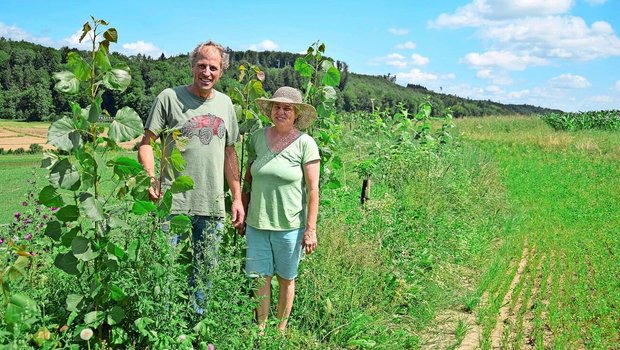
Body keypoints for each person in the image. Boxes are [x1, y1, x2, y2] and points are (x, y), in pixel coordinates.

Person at [138, 41, 244, 312]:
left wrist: (236, 198)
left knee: (206, 272)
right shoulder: (169, 98)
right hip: (172, 201)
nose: (206, 72)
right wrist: (151, 179)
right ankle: (164, 326)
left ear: (222, 72)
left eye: (213, 67)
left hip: (212, 202)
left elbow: (229, 153)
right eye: (202, 66)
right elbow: (146, 143)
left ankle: (198, 327)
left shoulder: (226, 104)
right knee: (165, 269)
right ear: (192, 66)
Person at [241, 86, 320, 333]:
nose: (281, 112)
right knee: (260, 278)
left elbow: (313, 190)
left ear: (296, 114)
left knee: (286, 278)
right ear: (270, 111)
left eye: (288, 108)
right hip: (257, 223)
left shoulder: (305, 143)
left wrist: (311, 229)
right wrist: (242, 211)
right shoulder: (257, 138)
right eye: (277, 107)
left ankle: (280, 330)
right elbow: (248, 179)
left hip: (290, 226)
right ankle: (262, 329)